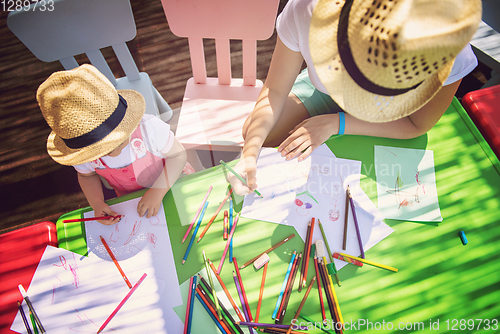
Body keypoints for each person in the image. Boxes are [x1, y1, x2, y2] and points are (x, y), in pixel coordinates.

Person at [229, 0, 481, 195]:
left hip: (395, 122)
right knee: (256, 132)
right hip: (326, 98)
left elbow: (416, 124)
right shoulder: (307, 11)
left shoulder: (448, 48)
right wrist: (249, 154)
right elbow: (274, 90)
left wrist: (336, 123)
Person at [37, 64, 195, 224]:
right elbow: (87, 175)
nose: (114, 154)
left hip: (174, 181)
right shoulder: (81, 149)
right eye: (101, 152)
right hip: (132, 199)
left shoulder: (148, 129)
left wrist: (157, 191)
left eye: (118, 143)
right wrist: (97, 203)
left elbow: (178, 155)